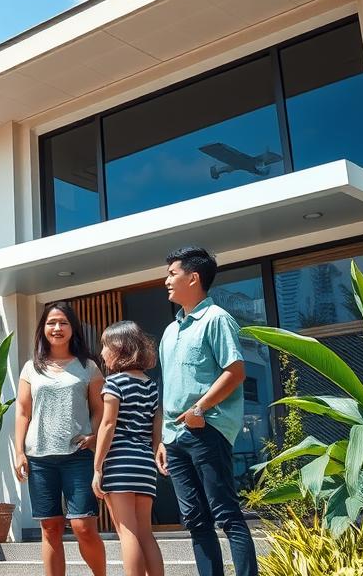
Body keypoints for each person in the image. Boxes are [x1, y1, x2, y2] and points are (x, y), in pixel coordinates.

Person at [158, 246, 258, 576]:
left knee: (226, 513)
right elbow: (168, 387)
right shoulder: (171, 330)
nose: (166, 280)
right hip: (174, 438)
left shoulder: (217, 319)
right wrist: (162, 438)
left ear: (194, 277)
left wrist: (198, 409)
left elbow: (235, 371)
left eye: (173, 274)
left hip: (206, 429)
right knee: (195, 520)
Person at [12, 302, 107, 576]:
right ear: (43, 328)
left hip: (77, 456)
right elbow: (22, 411)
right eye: (51, 322)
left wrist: (93, 435)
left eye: (63, 322)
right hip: (40, 458)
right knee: (50, 527)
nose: (57, 328)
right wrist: (19, 452)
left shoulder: (88, 366)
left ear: (72, 328)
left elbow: (100, 409)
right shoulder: (31, 368)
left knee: (82, 526)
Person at [92, 321, 166, 576]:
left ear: (118, 348)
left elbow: (108, 424)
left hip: (119, 462)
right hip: (144, 463)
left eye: (104, 346)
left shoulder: (114, 383)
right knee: (145, 532)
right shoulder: (151, 385)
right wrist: (155, 449)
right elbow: (157, 423)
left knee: (127, 532)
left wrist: (97, 466)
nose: (102, 352)